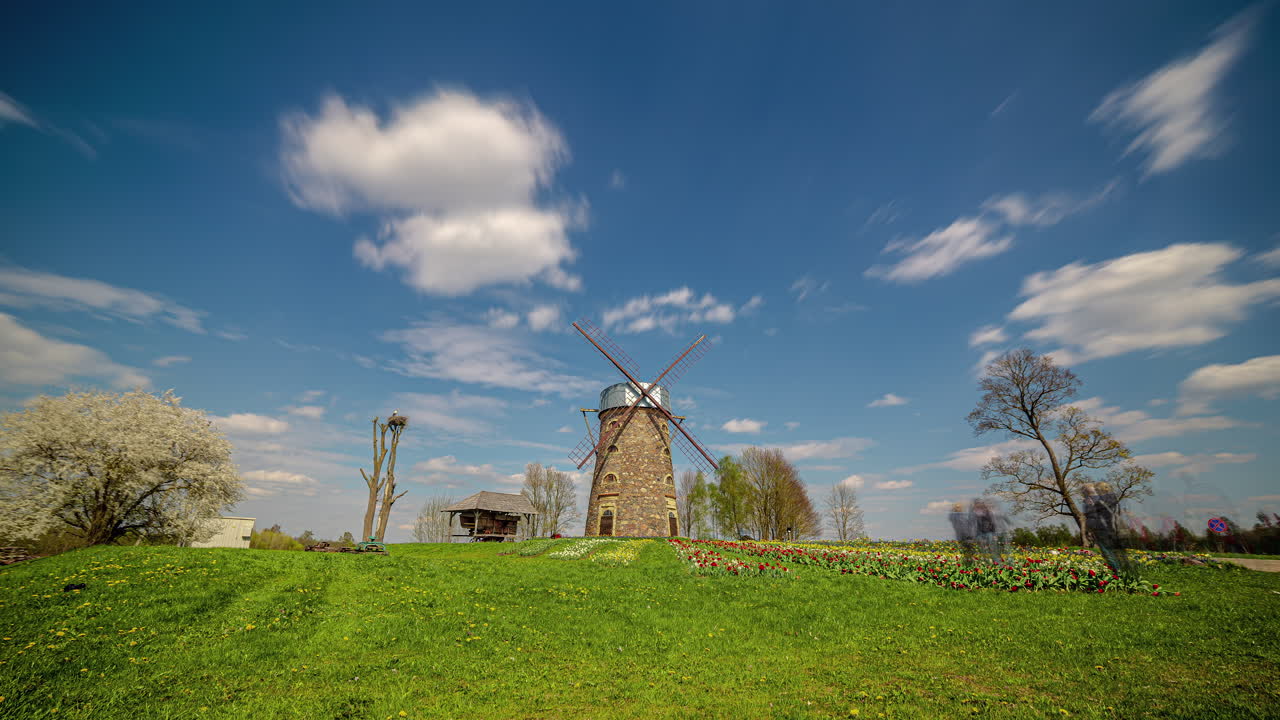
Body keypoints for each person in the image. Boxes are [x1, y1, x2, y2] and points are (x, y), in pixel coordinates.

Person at [1082, 483, 1130, 577]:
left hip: (1103, 530)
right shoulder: (1111, 498)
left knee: (1108, 553)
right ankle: (1123, 572)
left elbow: (1098, 515)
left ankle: (1119, 574)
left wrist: (1091, 506)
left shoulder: (1097, 501)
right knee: (1116, 553)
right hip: (1109, 529)